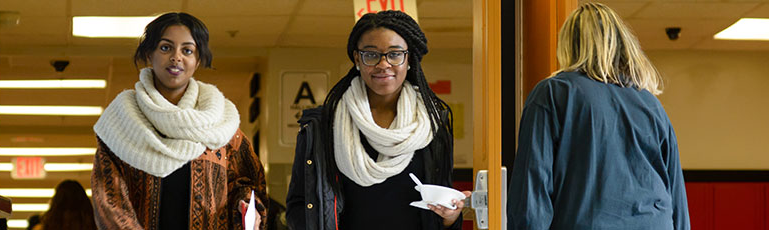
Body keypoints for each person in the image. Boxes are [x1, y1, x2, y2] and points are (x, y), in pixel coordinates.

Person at [507, 3, 690, 230]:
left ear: (568, 45)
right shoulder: (651, 104)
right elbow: (677, 199)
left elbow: (531, 196)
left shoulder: (553, 94)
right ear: (621, 44)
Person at [285, 10, 470, 230]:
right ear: (357, 59)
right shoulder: (323, 126)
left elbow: (443, 213)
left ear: (408, 58)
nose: (383, 64)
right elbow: (298, 206)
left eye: (395, 54)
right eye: (371, 55)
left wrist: (450, 216)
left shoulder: (432, 123)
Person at [91, 12, 267, 230]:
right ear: (149, 54)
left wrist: (247, 207)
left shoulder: (221, 124)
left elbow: (247, 184)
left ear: (198, 59)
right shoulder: (120, 123)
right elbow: (109, 201)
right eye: (166, 48)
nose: (176, 57)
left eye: (187, 50)